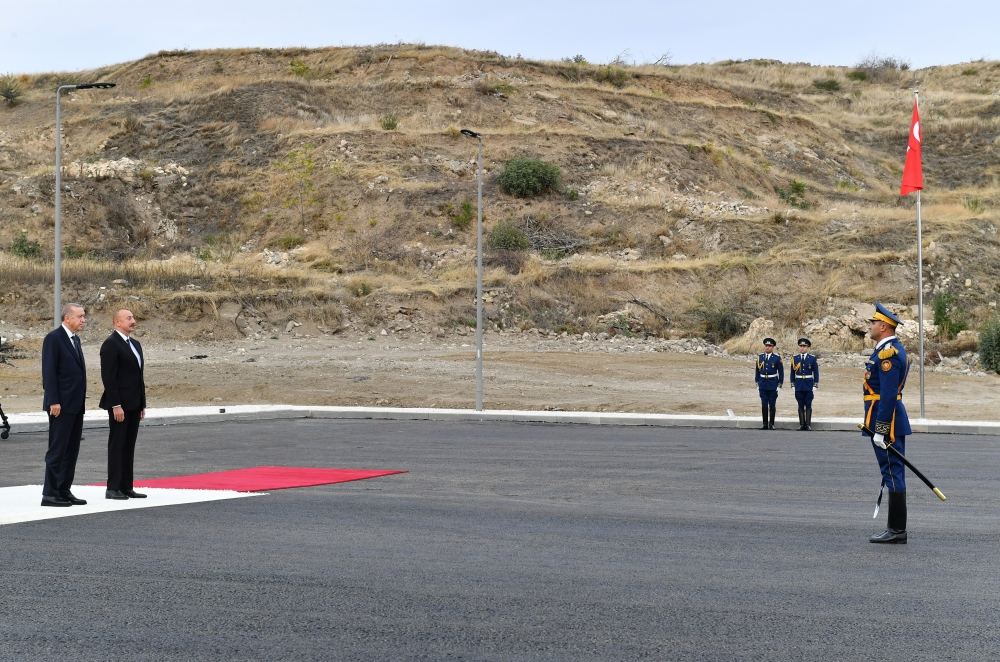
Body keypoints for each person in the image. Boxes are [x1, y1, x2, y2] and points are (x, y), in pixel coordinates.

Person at [863, 302, 912, 544]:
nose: (870, 326)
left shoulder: (888, 354)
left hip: (887, 421)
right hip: (884, 418)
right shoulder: (887, 350)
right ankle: (895, 528)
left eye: (873, 323)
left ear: (883, 326)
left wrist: (881, 430)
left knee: (892, 472)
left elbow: (889, 395)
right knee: (892, 471)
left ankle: (896, 530)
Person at [41, 303, 89, 507]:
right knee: (58, 449)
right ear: (67, 318)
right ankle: (50, 493)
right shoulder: (54, 338)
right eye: (80, 316)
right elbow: (49, 371)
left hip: (75, 405)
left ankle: (63, 489)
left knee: (71, 449)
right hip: (60, 405)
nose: (83, 320)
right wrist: (53, 400)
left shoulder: (75, 340)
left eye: (83, 316)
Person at [99, 309, 147, 500]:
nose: (133, 321)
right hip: (120, 406)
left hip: (134, 404)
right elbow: (109, 378)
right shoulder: (111, 344)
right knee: (117, 445)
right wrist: (115, 405)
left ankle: (127, 486)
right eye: (129, 318)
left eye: (133, 317)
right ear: (117, 322)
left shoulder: (135, 344)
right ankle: (113, 488)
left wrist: (142, 403)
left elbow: (138, 377)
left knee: (129, 445)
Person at [790, 337, 820, 431]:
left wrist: (815, 384)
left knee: (808, 404)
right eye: (801, 346)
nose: (802, 348)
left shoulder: (812, 358)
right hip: (798, 384)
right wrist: (792, 384)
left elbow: (816, 372)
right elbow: (792, 372)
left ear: (808, 348)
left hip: (808, 384)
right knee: (800, 405)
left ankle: (808, 424)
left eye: (804, 346)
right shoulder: (795, 358)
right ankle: (801, 424)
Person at [754, 337, 784, 430]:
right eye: (766, 346)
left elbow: (781, 372)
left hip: (772, 384)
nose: (767, 347)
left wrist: (779, 385)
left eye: (769, 346)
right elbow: (757, 371)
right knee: (764, 404)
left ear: (773, 347)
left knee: (772, 405)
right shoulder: (760, 357)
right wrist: (757, 383)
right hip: (763, 383)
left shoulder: (777, 358)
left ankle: (771, 424)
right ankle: (764, 424)